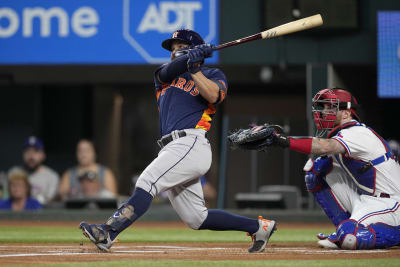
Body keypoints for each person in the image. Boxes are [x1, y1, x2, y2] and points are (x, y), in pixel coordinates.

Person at [79, 29, 276, 253]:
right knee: (196, 218)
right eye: (172, 48)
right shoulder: (164, 75)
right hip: (171, 148)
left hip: (191, 143)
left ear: (195, 50)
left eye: (180, 47)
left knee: (148, 181)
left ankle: (108, 231)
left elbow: (213, 95)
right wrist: (188, 59)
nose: (174, 52)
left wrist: (195, 68)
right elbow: (171, 68)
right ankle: (259, 227)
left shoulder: (214, 74)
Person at [250, 88, 400, 250]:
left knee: (350, 237)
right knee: (316, 169)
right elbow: (322, 155)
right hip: (369, 199)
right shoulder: (344, 134)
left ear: (346, 113)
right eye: (325, 107)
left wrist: (280, 140)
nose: (324, 112)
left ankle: (355, 231)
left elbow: (325, 146)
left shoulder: (357, 132)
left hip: (391, 202)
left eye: (331, 107)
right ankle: (344, 227)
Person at [9, 136, 59, 205]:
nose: (31, 156)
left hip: (42, 214)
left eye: (36, 151)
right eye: (28, 151)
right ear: (23, 154)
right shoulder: (14, 172)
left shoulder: (52, 176)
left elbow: (49, 203)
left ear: (43, 155)